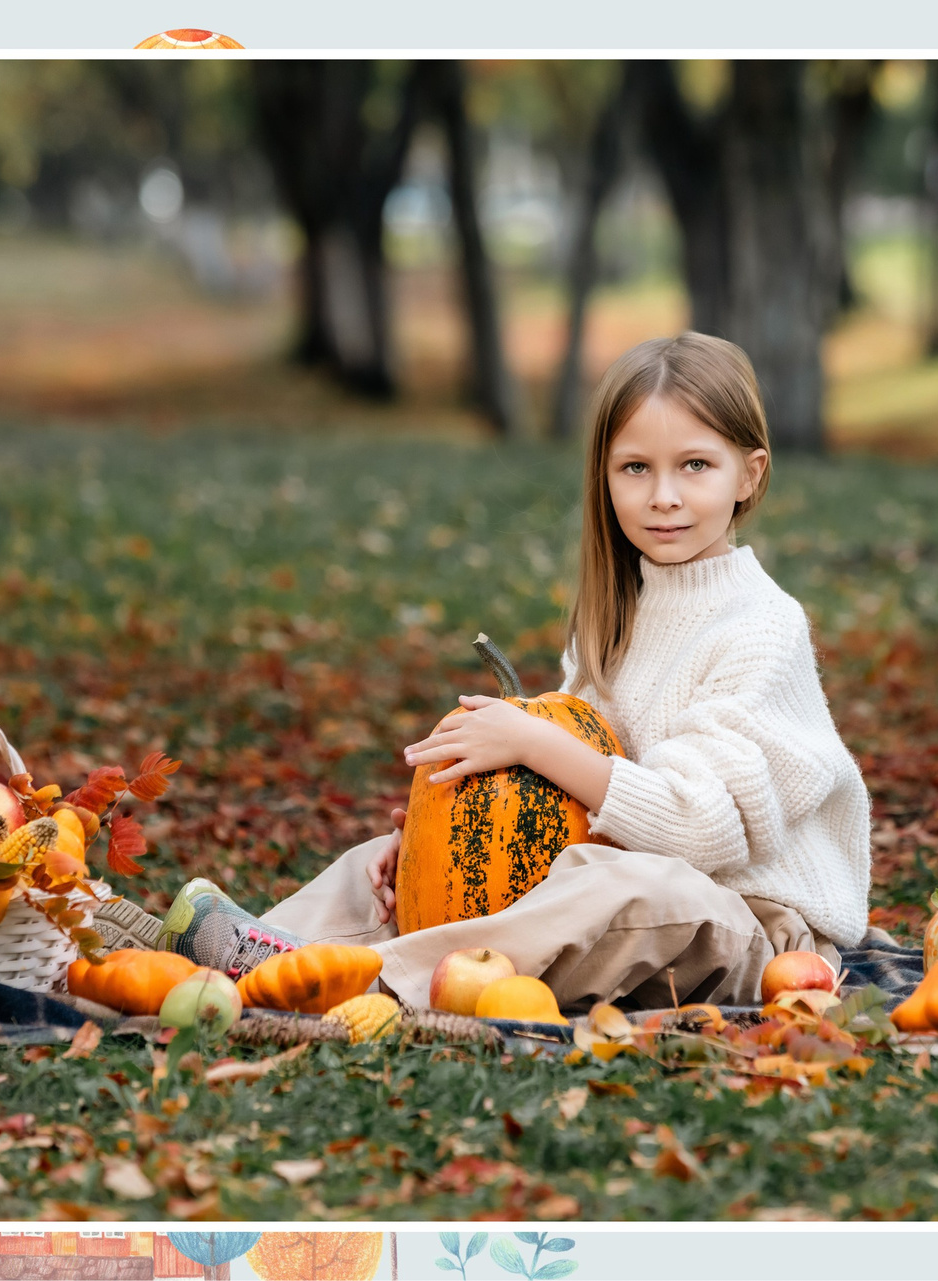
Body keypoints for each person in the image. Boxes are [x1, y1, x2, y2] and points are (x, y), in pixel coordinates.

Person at [156, 332, 871, 1011]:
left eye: (695, 465)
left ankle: (382, 982)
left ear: (750, 473)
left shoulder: (762, 628)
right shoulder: (616, 613)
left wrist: (532, 744)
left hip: (747, 922)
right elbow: (571, 787)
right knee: (391, 862)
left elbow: (699, 827)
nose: (664, 496)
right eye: (635, 468)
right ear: (605, 475)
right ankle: (240, 960)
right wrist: (448, 832)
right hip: (622, 872)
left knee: (626, 886)